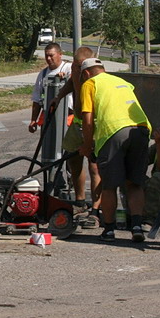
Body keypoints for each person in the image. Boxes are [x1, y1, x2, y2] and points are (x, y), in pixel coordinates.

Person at [77, 58, 152, 243]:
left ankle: (109, 230)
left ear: (86, 73)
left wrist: (87, 145)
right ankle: (136, 225)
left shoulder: (90, 83)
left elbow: (87, 119)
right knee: (134, 183)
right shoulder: (122, 82)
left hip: (114, 132)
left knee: (109, 185)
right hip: (141, 129)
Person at [49, 46, 102, 221]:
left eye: (78, 66)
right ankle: (80, 202)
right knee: (72, 158)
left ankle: (96, 208)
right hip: (78, 123)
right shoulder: (76, 74)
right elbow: (71, 84)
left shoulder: (95, 77)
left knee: (95, 166)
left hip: (93, 124)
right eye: (74, 66)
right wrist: (58, 98)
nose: (76, 69)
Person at [28, 43, 71, 134]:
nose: (48, 58)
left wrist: (66, 78)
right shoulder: (43, 74)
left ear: (60, 54)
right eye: (46, 55)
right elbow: (37, 99)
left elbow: (75, 80)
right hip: (48, 115)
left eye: (51, 55)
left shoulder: (68, 68)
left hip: (67, 115)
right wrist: (33, 120)